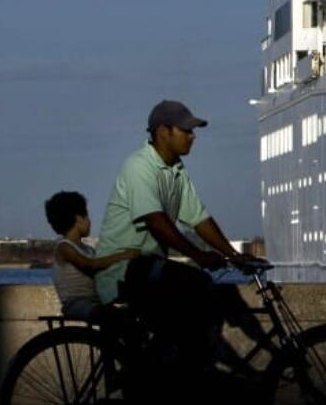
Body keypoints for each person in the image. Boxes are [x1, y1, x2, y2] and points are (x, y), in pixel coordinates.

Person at [94, 99, 262, 384]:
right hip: (122, 270)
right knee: (194, 286)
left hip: (147, 268)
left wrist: (234, 255)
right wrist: (199, 256)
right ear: (163, 132)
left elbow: (199, 219)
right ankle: (149, 375)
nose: (193, 136)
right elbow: (156, 221)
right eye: (186, 130)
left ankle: (161, 372)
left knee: (194, 305)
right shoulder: (139, 167)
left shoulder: (176, 170)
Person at [44, 191, 138, 322]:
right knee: (116, 316)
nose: (90, 221)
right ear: (78, 219)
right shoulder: (64, 247)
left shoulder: (88, 249)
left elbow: (102, 266)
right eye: (87, 216)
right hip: (76, 304)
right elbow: (90, 265)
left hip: (94, 301)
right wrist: (123, 255)